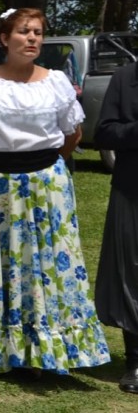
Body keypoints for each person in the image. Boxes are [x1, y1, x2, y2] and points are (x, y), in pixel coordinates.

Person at [0, 7, 110, 378]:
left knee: (41, 264)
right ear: (4, 38)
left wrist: (40, 165)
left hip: (44, 185)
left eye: (38, 33)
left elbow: (72, 134)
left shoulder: (56, 82)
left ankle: (43, 347)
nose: (32, 39)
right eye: (24, 31)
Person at [94, 60, 138, 393]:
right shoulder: (125, 77)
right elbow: (104, 132)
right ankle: (135, 361)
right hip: (131, 190)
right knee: (131, 275)